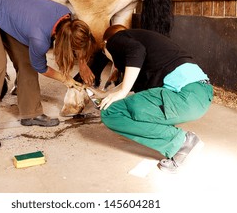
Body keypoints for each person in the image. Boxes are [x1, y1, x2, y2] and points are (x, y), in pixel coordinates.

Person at [0, 0, 96, 150]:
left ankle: (31, 113)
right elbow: (41, 67)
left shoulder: (65, 14)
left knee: (26, 60)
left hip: (5, 10)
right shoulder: (39, 38)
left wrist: (82, 63)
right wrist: (66, 79)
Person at [91, 24, 213, 173]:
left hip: (184, 95)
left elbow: (135, 50)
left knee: (110, 112)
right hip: (200, 96)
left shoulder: (115, 39)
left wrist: (122, 91)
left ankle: (182, 142)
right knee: (138, 107)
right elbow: (133, 84)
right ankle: (180, 146)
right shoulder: (152, 54)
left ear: (105, 44)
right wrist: (105, 94)